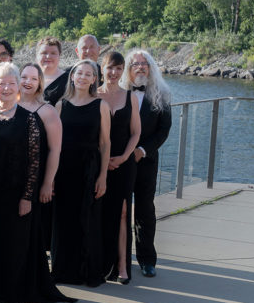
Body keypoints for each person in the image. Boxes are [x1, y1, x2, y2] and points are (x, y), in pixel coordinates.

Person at [0, 63, 42, 303]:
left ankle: (9, 302)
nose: (5, 88)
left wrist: (27, 197)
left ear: (18, 87)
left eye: (10, 83)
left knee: (12, 249)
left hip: (15, 195)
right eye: (1, 83)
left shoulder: (28, 118)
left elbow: (34, 161)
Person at [17, 63, 76, 303]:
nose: (28, 82)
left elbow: (55, 150)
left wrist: (47, 183)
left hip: (35, 181)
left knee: (30, 235)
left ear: (40, 82)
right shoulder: (6, 106)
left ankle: (29, 284)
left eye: (33, 78)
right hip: (7, 180)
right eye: (24, 77)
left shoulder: (47, 110)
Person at [51, 60, 111, 287]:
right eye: (80, 73)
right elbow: (54, 145)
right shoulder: (60, 105)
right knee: (63, 221)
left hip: (89, 169)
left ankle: (87, 272)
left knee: (87, 220)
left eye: (89, 74)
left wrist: (103, 175)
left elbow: (105, 143)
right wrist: (51, 177)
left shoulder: (101, 105)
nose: (83, 77)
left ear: (95, 79)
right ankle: (62, 270)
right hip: (64, 168)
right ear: (72, 76)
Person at [122, 50, 172, 278]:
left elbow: (164, 130)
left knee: (144, 210)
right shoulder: (120, 93)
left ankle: (147, 260)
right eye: (135, 64)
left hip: (146, 161)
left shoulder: (162, 94)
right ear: (128, 69)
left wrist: (143, 150)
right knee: (120, 210)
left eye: (144, 64)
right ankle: (120, 259)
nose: (140, 67)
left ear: (151, 68)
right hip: (120, 162)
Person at [98, 51, 141, 283]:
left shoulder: (130, 97)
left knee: (123, 214)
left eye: (118, 68)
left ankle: (122, 266)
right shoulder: (94, 96)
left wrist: (124, 157)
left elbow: (136, 133)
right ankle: (100, 264)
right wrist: (103, 163)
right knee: (100, 213)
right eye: (109, 68)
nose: (113, 73)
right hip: (99, 165)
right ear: (102, 69)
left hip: (124, 165)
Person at [38, 37, 70, 106]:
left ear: (59, 56)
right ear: (37, 55)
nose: (48, 56)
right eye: (44, 53)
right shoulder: (27, 77)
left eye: (53, 53)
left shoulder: (69, 80)